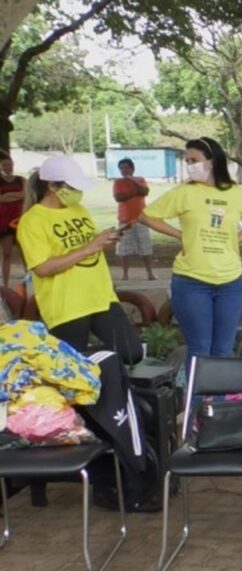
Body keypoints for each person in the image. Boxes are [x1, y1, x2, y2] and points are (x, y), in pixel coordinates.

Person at [15, 155, 149, 509]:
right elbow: (42, 268)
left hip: (100, 298)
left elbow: (89, 252)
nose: (76, 194)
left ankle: (118, 428)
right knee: (73, 382)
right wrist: (88, 247)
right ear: (52, 186)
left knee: (131, 352)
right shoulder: (33, 221)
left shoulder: (80, 212)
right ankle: (91, 448)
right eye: (70, 188)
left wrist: (106, 240)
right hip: (66, 305)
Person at [140, 136, 242, 365]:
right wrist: (179, 235)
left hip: (230, 283)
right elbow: (147, 215)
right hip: (192, 281)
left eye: (195, 159)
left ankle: (219, 399)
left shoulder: (236, 193)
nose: (190, 165)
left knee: (224, 350)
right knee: (199, 350)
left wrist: (237, 239)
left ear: (212, 161)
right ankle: (196, 400)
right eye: (187, 160)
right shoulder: (184, 192)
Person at [112, 158, 157, 281]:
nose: (123, 171)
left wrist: (134, 183)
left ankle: (150, 273)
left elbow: (145, 191)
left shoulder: (140, 180)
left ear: (132, 168)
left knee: (145, 247)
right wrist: (135, 192)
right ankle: (125, 274)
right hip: (125, 219)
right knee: (124, 248)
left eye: (126, 168)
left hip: (141, 219)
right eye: (121, 168)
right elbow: (119, 197)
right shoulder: (118, 182)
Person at [0, 151, 25, 287]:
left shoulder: (21, 179)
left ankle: (31, 278)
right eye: (4, 165)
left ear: (13, 165)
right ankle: (5, 284)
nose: (7, 167)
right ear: (1, 166)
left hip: (20, 218)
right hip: (4, 219)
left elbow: (25, 194)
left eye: (9, 164)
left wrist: (7, 195)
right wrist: (16, 195)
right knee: (7, 252)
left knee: (25, 251)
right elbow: (0, 198)